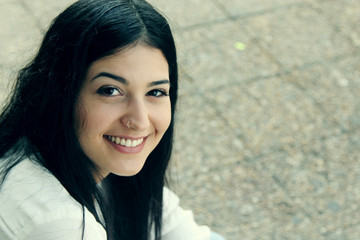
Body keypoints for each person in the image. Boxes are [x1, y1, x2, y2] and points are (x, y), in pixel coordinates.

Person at [0, 0, 226, 240]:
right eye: (110, 91)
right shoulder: (64, 226)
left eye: (156, 92)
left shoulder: (44, 139)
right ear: (62, 93)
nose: (139, 121)